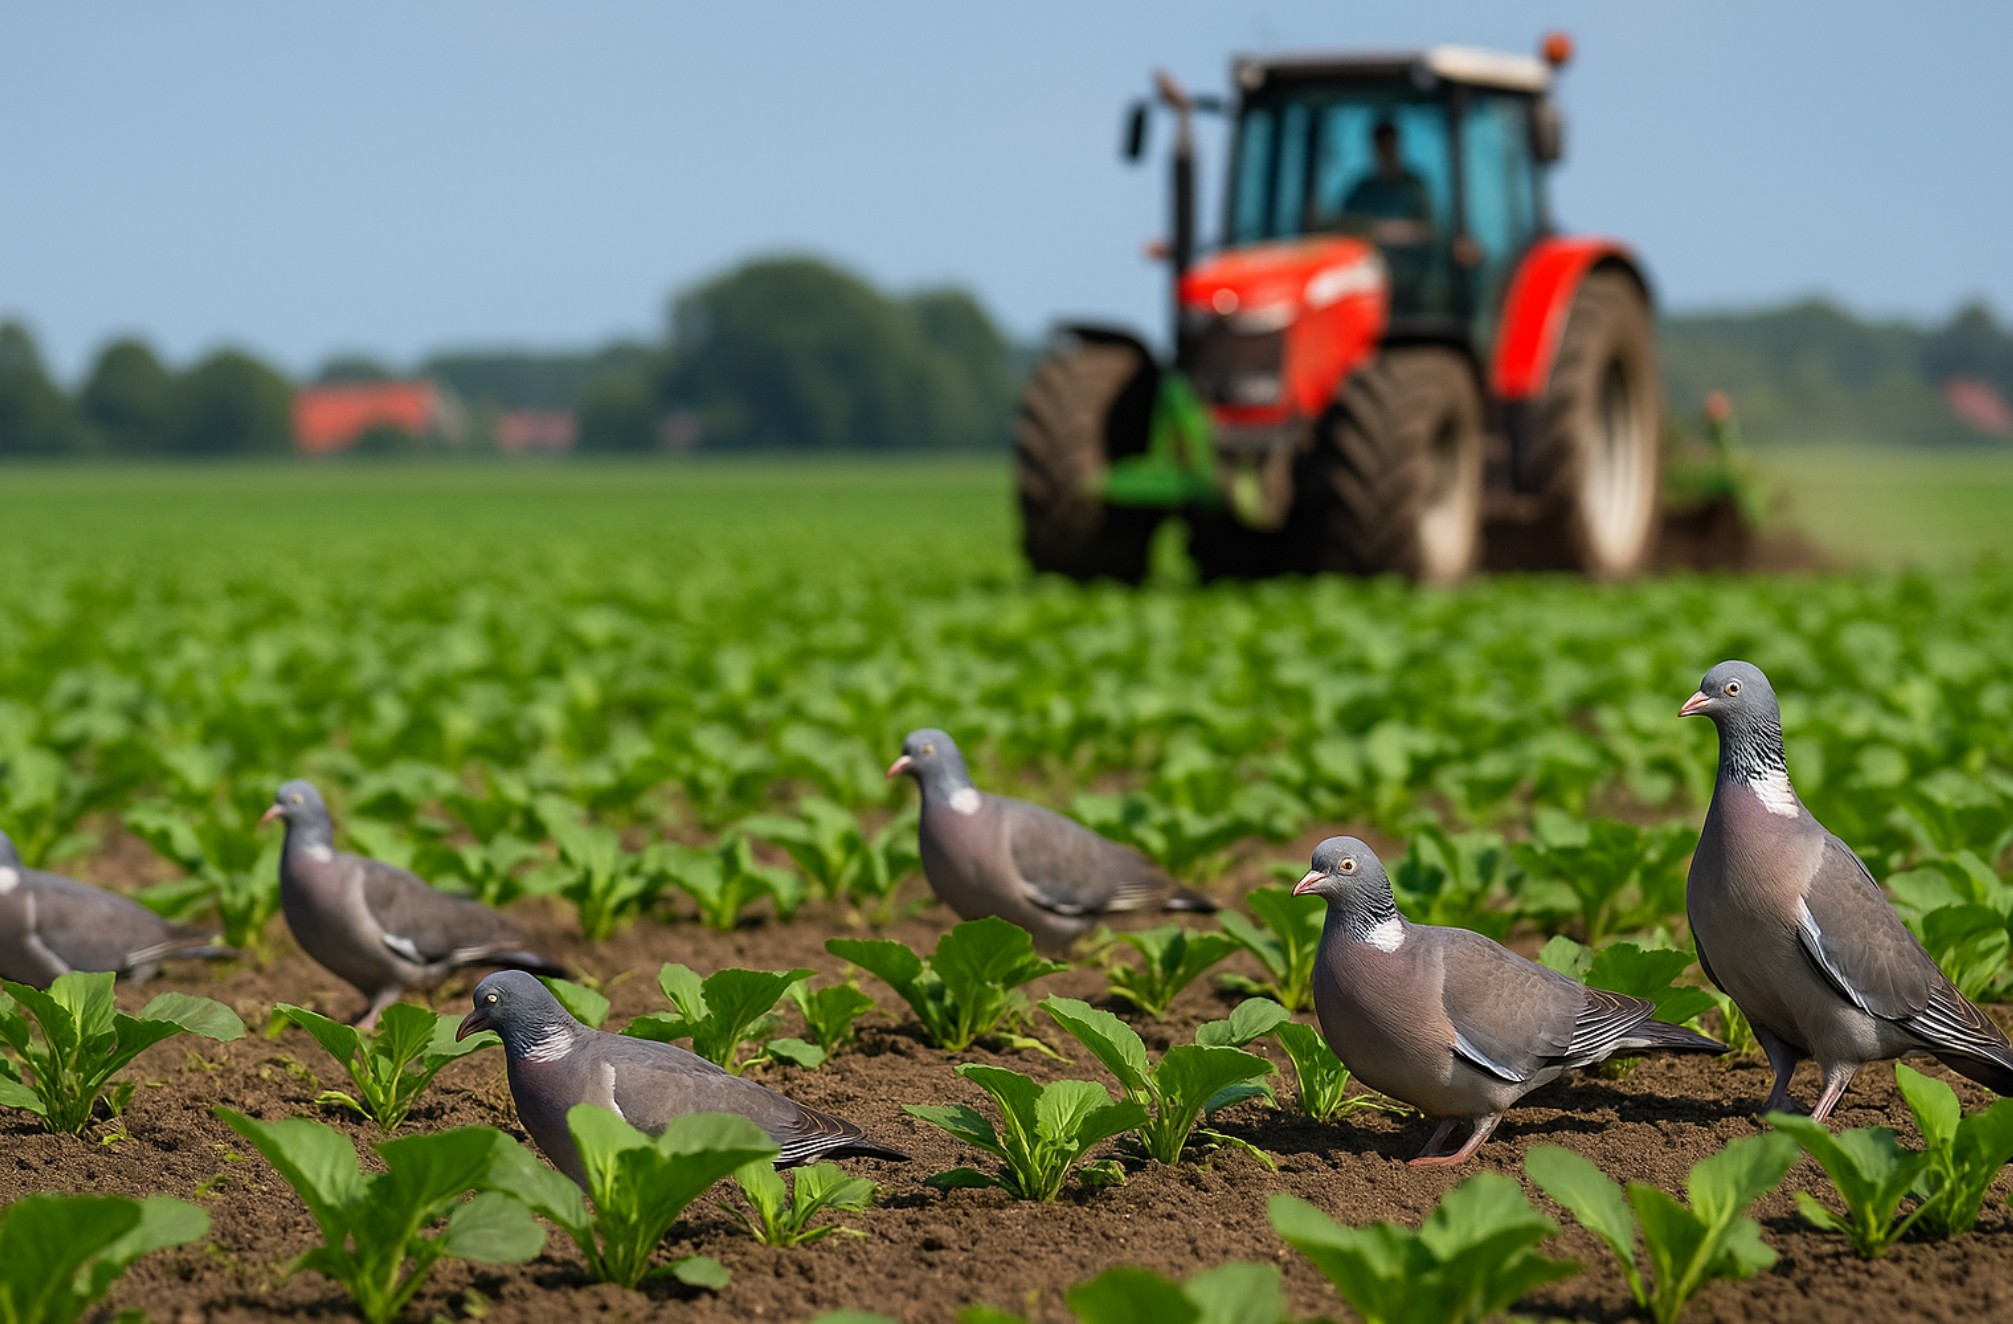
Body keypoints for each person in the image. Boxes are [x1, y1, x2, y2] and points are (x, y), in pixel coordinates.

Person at [1342, 120, 1431, 224]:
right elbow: (1345, 225)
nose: (1386, 151)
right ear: (1374, 147)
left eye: (1390, 144)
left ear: (1397, 145)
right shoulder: (1361, 192)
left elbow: (1430, 228)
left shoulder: (1415, 189)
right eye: (1382, 145)